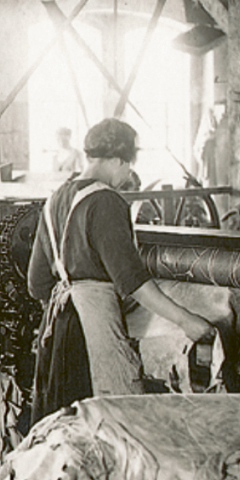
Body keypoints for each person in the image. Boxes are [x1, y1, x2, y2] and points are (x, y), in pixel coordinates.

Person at [27, 118, 217, 423]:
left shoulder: (53, 200)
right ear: (118, 160)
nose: (127, 174)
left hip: (58, 330)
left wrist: (65, 316)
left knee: (65, 426)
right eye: (127, 166)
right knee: (117, 419)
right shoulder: (105, 201)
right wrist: (186, 320)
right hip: (96, 331)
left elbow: (37, 283)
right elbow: (132, 281)